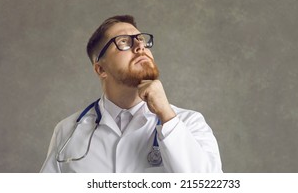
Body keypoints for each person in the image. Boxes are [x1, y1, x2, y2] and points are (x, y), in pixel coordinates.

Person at [40, 15, 222, 173]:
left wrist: (167, 116)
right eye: (124, 42)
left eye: (141, 39)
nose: (140, 46)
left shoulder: (189, 123)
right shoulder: (68, 131)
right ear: (101, 69)